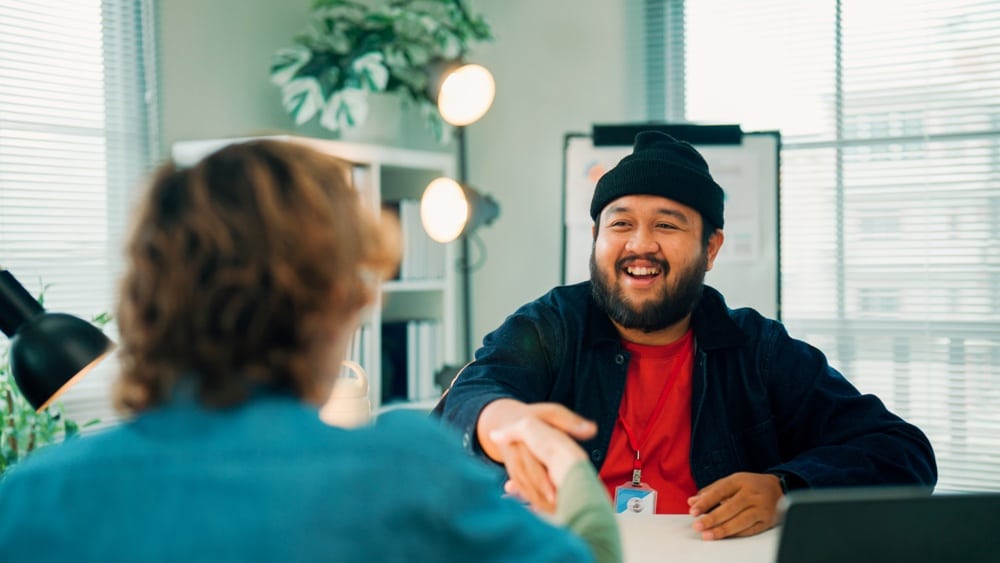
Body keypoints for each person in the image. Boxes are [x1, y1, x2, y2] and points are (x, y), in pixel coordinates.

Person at [0, 140, 620, 562]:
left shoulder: (28, 500)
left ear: (146, 296)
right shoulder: (404, 477)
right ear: (334, 302)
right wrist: (561, 461)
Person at [440, 130, 938, 540]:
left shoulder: (758, 350)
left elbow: (902, 452)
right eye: (620, 223)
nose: (640, 245)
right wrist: (506, 423)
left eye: (667, 225)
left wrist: (785, 488)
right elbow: (467, 400)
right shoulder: (552, 325)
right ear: (596, 238)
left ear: (711, 246)